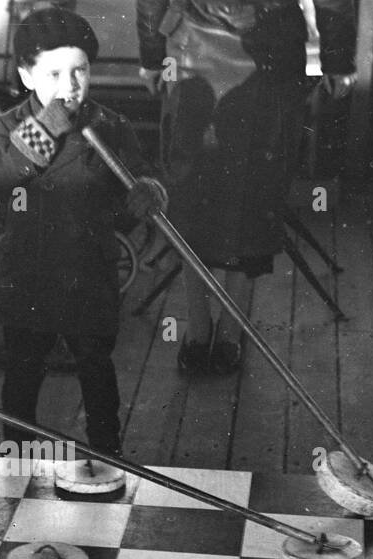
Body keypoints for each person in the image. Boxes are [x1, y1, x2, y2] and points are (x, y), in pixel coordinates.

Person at [0, 6, 166, 458]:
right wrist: (46, 126)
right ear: (26, 76)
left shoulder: (111, 127)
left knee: (96, 369)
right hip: (29, 277)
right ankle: (18, 457)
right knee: (23, 372)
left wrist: (147, 193)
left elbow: (135, 186)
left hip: (89, 274)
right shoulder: (8, 126)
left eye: (79, 71)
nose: (69, 86)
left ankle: (107, 453)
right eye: (54, 73)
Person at [137, 0, 356, 374]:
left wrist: (336, 59)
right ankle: (203, 323)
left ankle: (225, 327)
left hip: (260, 54)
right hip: (204, 48)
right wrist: (153, 54)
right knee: (201, 191)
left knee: (245, 190)